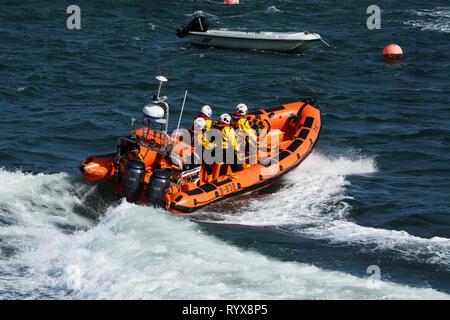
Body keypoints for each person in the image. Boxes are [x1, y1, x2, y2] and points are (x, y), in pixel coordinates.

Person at [192, 117, 214, 182]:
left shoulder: (190, 132)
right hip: (198, 153)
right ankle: (210, 176)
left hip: (191, 152)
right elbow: (206, 144)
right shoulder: (202, 135)